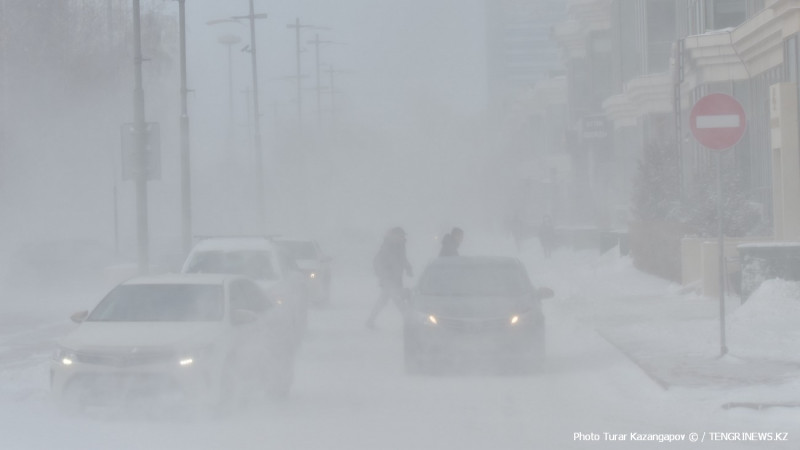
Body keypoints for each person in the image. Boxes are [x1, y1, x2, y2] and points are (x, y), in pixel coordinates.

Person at [366, 227, 413, 329]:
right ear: (394, 235)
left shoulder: (401, 245)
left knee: (384, 300)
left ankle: (370, 321)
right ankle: (410, 323)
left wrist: (408, 268)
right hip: (389, 280)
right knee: (398, 300)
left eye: (403, 235)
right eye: (401, 235)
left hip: (397, 278)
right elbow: (378, 262)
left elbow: (403, 258)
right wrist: (384, 275)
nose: (403, 237)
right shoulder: (387, 246)